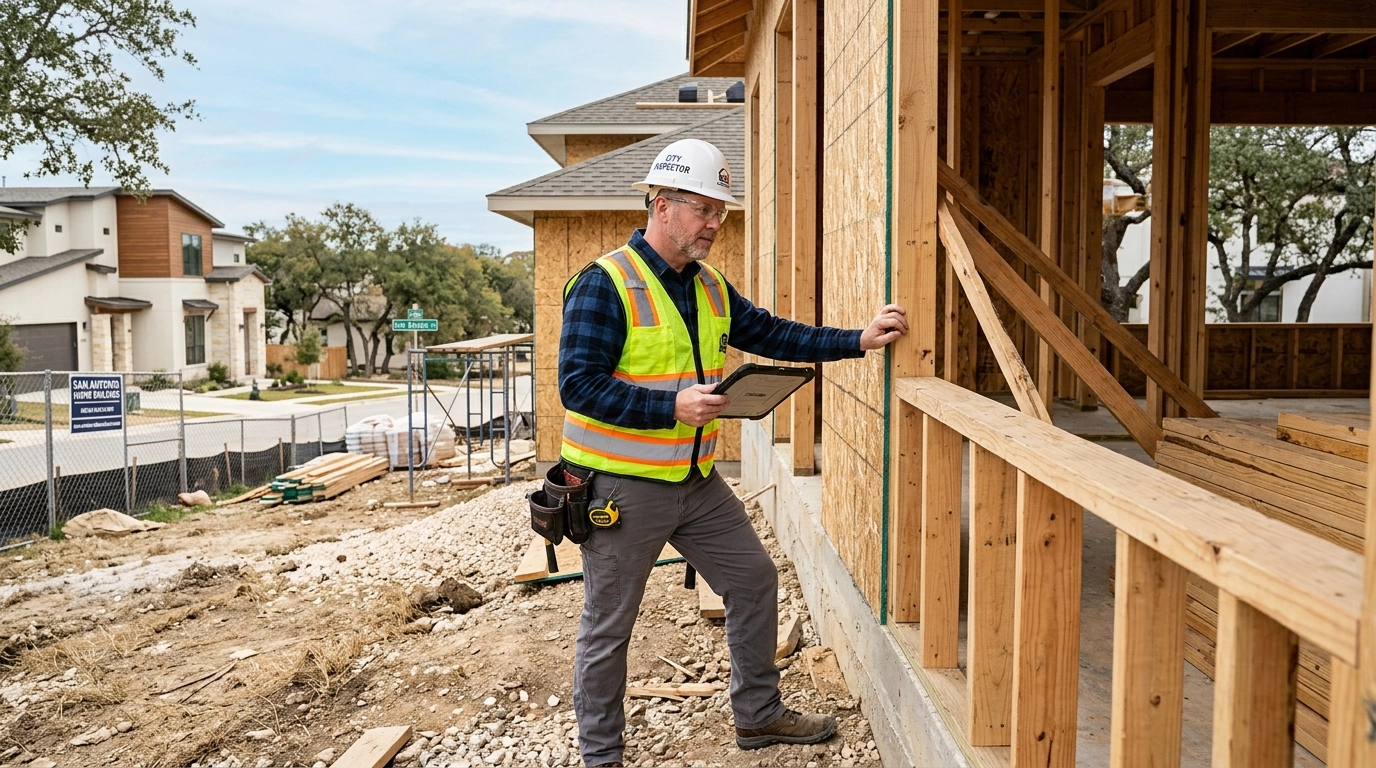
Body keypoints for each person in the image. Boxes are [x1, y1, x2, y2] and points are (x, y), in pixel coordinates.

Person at [558, 138, 907, 768]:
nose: (716, 224)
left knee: (753, 581)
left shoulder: (710, 286)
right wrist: (671, 407)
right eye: (703, 210)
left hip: (694, 480)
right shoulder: (604, 285)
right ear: (661, 206)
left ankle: (758, 716)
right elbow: (578, 386)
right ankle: (601, 756)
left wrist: (858, 339)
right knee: (610, 627)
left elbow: (772, 332)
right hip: (619, 487)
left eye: (721, 211)